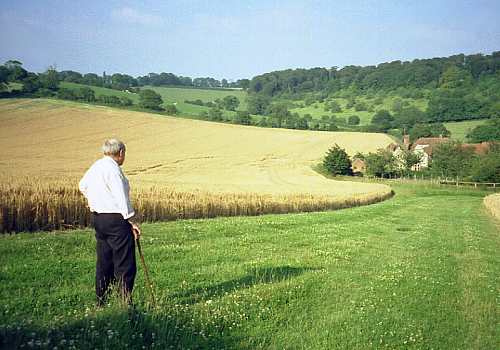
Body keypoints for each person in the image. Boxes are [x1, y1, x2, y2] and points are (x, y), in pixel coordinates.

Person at [79, 138, 141, 306]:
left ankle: (101, 301)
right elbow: (121, 197)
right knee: (124, 263)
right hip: (116, 219)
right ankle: (125, 303)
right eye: (124, 153)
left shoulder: (96, 166)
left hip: (99, 219)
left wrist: (96, 200)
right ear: (120, 153)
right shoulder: (114, 170)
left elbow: (82, 186)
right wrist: (131, 221)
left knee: (104, 261)